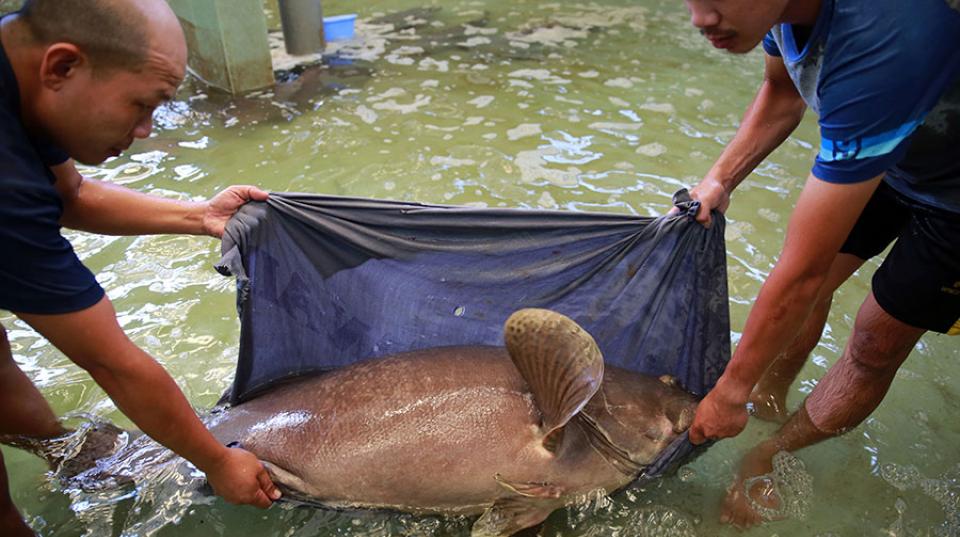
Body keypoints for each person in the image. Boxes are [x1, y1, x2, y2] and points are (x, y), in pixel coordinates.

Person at [0, 1, 282, 535]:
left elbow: (71, 195)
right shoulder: (5, 188)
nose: (148, 130)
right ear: (62, 67)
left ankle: (69, 457)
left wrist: (201, 217)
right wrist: (218, 461)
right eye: (141, 104)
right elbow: (111, 364)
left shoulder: (20, 74)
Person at [680, 0, 960, 528]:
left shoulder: (885, 39)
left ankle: (773, 455)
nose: (700, 18)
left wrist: (727, 393)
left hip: (953, 200)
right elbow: (783, 93)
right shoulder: (777, 12)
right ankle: (771, 392)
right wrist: (720, 178)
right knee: (814, 273)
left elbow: (800, 275)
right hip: (892, 155)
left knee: (875, 341)